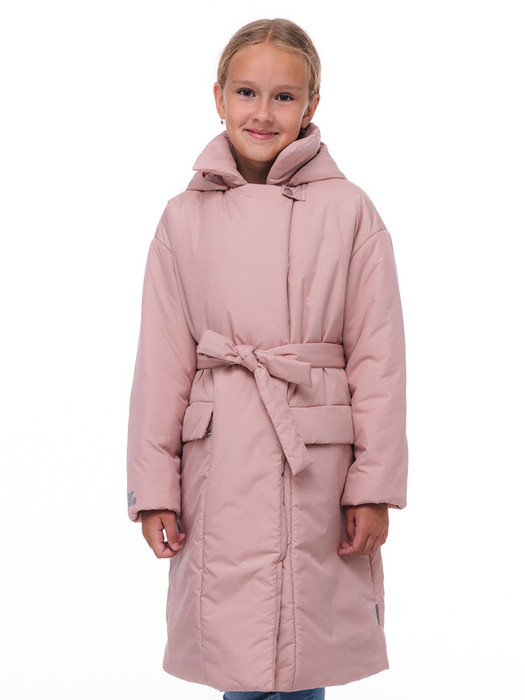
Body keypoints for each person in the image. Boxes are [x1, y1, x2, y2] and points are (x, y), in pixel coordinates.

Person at [126, 17, 408, 700]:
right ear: (218, 96)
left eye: (284, 96)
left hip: (315, 461)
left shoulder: (350, 211)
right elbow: (161, 363)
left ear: (311, 105)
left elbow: (378, 359)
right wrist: (153, 489)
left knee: (304, 647)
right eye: (247, 92)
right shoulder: (182, 218)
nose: (263, 112)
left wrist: (372, 487)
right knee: (236, 647)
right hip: (219, 462)